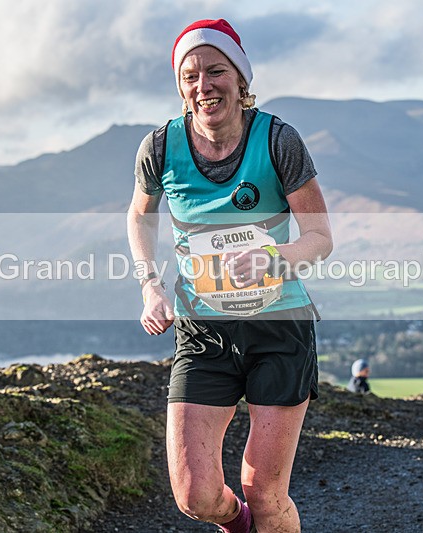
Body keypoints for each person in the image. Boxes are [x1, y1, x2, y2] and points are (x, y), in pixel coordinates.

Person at [127, 18, 332, 533]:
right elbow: (138, 215)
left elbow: (320, 238)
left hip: (278, 328)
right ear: (180, 86)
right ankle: (238, 526)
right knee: (195, 494)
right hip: (203, 332)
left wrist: (275, 259)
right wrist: (150, 284)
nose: (204, 86)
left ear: (241, 79)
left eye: (216, 71)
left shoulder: (278, 139)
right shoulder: (159, 148)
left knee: (264, 492)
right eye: (190, 76)